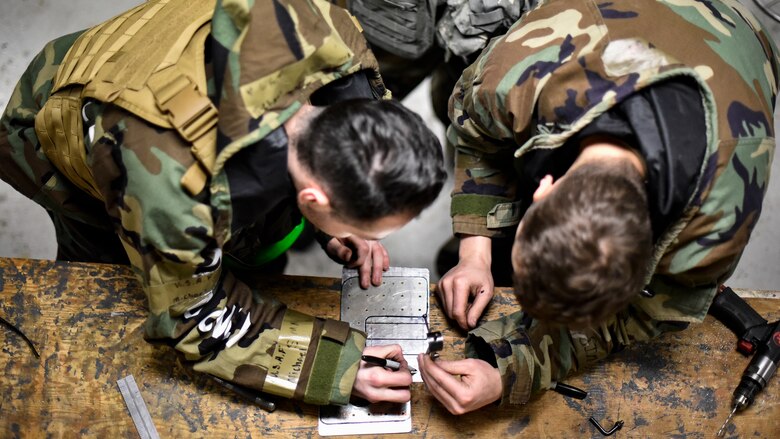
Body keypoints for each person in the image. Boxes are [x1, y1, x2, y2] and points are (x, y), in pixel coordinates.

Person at [0, 0, 447, 406]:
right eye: (363, 230)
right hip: (71, 118)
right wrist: (337, 367)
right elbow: (193, 318)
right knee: (103, 282)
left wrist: (332, 224)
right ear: (314, 197)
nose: (363, 240)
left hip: (157, 71)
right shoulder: (169, 182)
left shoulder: (344, 50)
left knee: (245, 243)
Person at [419, 0, 779, 414]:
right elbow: (475, 124)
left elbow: (644, 314)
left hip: (738, 38)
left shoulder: (718, 224)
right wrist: (475, 252)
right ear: (542, 189)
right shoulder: (524, 72)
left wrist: (512, 367)